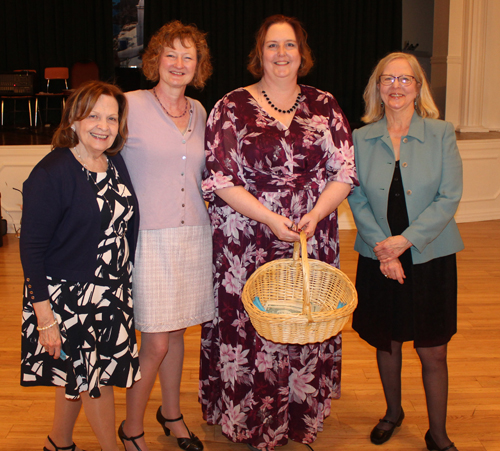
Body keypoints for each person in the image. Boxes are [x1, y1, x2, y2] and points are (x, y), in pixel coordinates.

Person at [199, 14, 358, 451]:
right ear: (259, 54)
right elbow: (220, 179)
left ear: (302, 54)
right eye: (272, 45)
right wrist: (270, 218)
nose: (282, 54)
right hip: (247, 235)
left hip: (310, 231)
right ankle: (250, 420)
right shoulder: (230, 105)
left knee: (306, 316)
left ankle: (299, 416)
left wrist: (317, 213)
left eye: (290, 45)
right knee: (251, 324)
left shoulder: (324, 104)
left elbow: (344, 170)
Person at [348, 52, 463, 451]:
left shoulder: (442, 132)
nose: (396, 86)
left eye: (405, 79)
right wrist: (386, 251)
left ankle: (438, 432)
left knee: (433, 349)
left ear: (418, 87)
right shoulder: (360, 138)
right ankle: (392, 412)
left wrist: (405, 241)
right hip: (378, 252)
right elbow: (357, 197)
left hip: (430, 255)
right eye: (387, 79)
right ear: (377, 88)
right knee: (387, 340)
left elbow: (449, 197)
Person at [20, 80, 141, 451]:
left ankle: (58, 443)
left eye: (111, 117)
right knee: (95, 383)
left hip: (111, 294)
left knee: (76, 380)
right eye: (93, 116)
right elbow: (31, 249)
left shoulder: (114, 162)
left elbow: (124, 227)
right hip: (69, 301)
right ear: (73, 119)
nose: (103, 126)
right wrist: (45, 319)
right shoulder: (51, 172)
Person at [119, 20, 214, 451]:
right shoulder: (128, 104)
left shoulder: (201, 111)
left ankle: (171, 413)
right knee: (155, 341)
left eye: (187, 56)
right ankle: (131, 426)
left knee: (176, 333)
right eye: (170, 54)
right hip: (147, 238)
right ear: (154, 59)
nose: (178, 63)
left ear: (199, 67)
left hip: (193, 234)